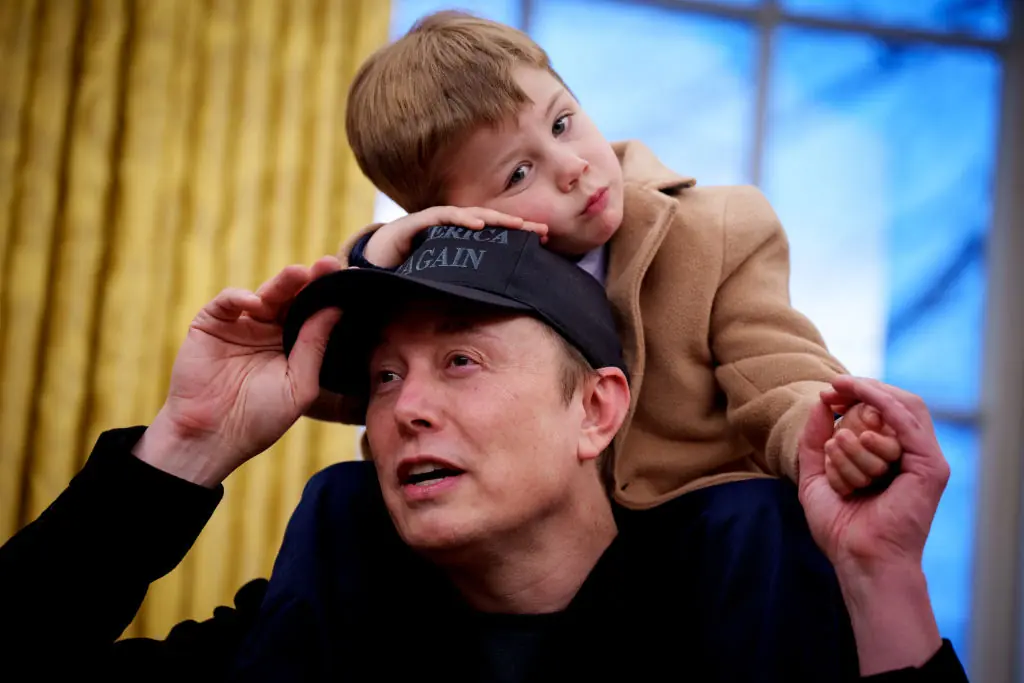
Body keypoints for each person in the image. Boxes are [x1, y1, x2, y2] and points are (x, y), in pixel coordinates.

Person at [0, 230, 967, 682]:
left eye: (460, 360)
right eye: (381, 378)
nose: (406, 408)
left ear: (596, 411)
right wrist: (187, 445)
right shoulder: (324, 606)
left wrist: (882, 578)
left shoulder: (747, 584)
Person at [329, 10, 904, 509]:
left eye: (562, 123)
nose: (572, 165)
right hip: (520, 539)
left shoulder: (714, 230)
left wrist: (831, 430)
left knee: (757, 514)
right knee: (350, 500)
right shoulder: (432, 284)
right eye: (519, 173)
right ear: (455, 217)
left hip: (685, 518)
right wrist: (373, 265)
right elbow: (329, 384)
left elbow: (777, 369)